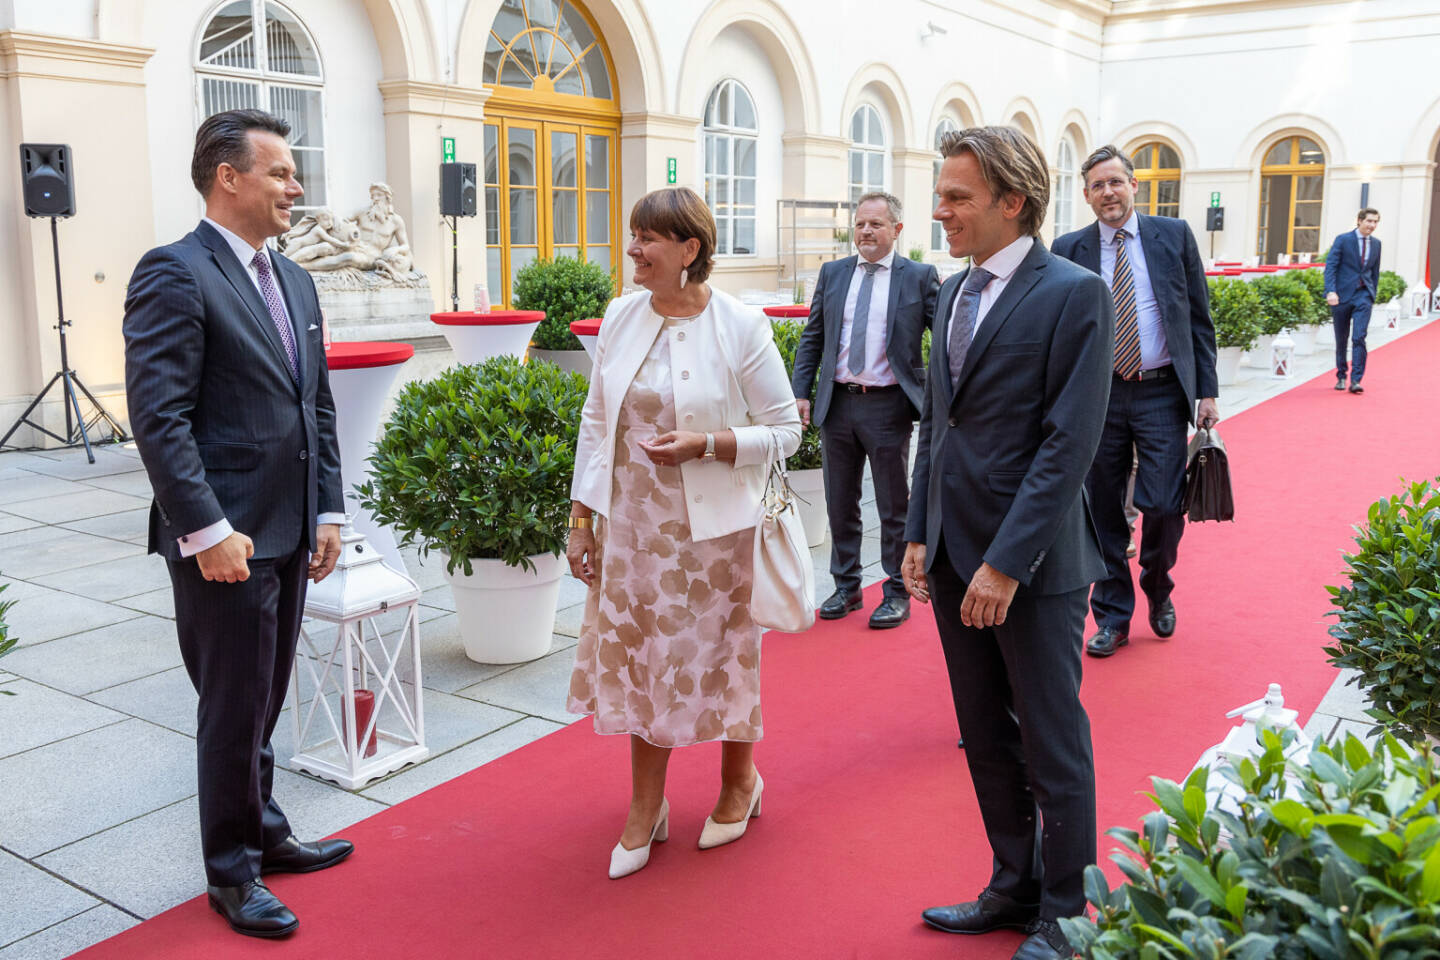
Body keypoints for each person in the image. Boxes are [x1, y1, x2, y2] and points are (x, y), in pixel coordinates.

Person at [123, 109, 351, 938]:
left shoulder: (294, 279)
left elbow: (313, 406)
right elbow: (159, 419)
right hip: (225, 541)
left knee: (264, 697)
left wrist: (328, 507)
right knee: (231, 706)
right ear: (230, 177)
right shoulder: (174, 273)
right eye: (283, 172)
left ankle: (268, 832)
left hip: (290, 529)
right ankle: (231, 875)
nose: (297, 187)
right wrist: (206, 530)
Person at [903, 126, 1113, 960]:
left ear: (1011, 202)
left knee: (1052, 739)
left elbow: (1069, 444)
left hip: (1035, 566)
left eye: (957, 196)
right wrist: (919, 534)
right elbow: (940, 425)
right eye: (942, 194)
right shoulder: (952, 293)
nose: (940, 210)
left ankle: (1065, 914)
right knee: (985, 733)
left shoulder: (1074, 294)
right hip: (954, 556)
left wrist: (1004, 563)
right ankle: (1011, 885)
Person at [566, 187, 801, 880]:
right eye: (633, 235)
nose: (632, 249)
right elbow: (595, 423)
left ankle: (739, 784)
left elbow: (787, 430)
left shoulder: (740, 324)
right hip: (634, 530)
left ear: (689, 250)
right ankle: (646, 807)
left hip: (718, 534)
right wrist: (581, 521)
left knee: (726, 658)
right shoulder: (620, 314)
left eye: (647, 238)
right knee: (643, 662)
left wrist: (709, 444)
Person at [1052, 145, 1219, 659]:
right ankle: (1113, 615)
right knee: (1102, 510)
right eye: (1098, 186)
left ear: (1134, 185)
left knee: (1166, 502)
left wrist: (1206, 390)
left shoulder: (1173, 236)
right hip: (1097, 396)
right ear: (1086, 195)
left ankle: (1158, 580)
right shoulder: (1068, 247)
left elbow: (1197, 316)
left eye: (1116, 182)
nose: (1108, 193)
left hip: (1161, 390)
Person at [790, 192, 939, 629]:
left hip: (888, 406)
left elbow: (946, 338)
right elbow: (813, 337)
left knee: (894, 506)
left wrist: (938, 395)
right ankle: (846, 586)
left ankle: (896, 590)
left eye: (875, 224)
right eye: (860, 225)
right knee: (840, 501)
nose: (866, 232)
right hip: (837, 405)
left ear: (897, 229)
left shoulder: (919, 277)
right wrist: (801, 391)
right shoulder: (834, 273)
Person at [1324, 208, 1382, 394]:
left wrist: (1372, 293)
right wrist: (1330, 291)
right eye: (1369, 221)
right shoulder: (1343, 240)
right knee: (1342, 338)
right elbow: (1331, 267)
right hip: (1341, 295)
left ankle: (1356, 379)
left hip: (1364, 295)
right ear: (1359, 221)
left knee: (1359, 337)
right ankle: (1341, 375)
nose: (1372, 225)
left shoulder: (1377, 244)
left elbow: (1374, 272)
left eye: (1375, 222)